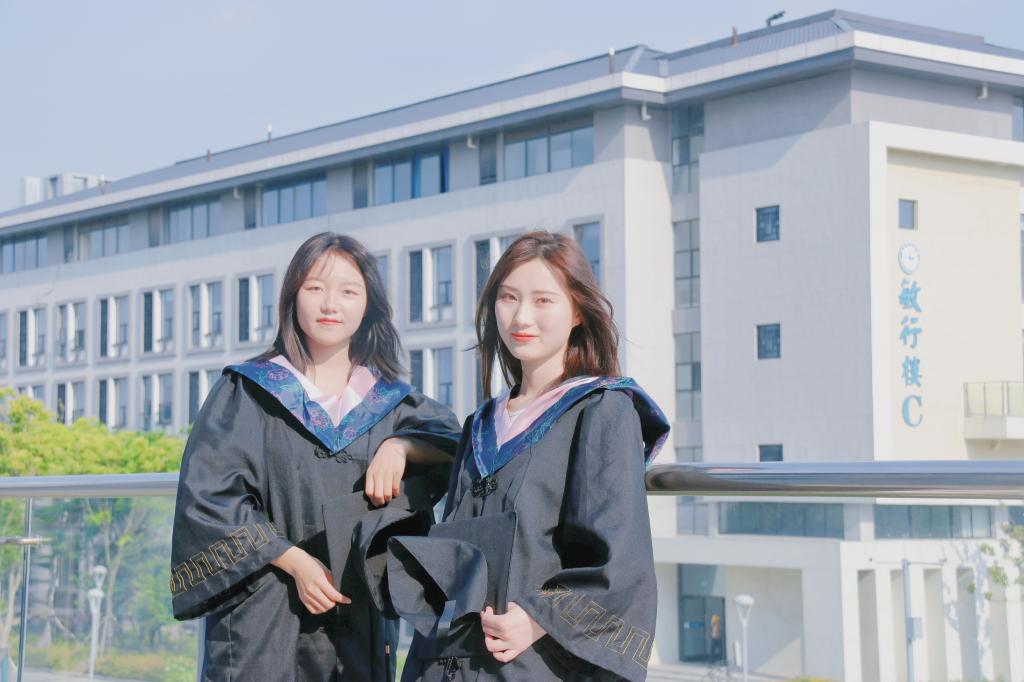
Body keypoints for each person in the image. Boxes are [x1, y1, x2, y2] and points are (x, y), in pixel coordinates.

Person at [378, 231, 670, 681]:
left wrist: (537, 618)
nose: (521, 317)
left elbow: (619, 559)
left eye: (543, 300)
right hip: (450, 662)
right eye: (508, 298)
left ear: (578, 311)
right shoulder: (481, 423)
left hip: (536, 663)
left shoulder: (602, 410)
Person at [170, 232, 460, 681]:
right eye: (315, 288)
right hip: (264, 615)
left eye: (349, 291)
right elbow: (209, 499)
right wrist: (293, 560)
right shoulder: (248, 391)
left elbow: (454, 445)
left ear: (368, 305)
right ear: (293, 296)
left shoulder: (390, 404)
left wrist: (401, 446)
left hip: (356, 619)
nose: (330, 304)